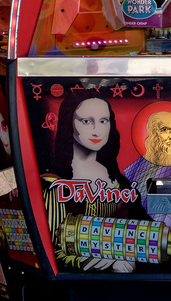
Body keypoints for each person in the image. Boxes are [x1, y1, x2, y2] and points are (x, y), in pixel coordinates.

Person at [42, 89, 138, 272]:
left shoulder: (118, 181)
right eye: (86, 121)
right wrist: (108, 264)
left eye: (104, 121)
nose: (97, 130)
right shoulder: (54, 183)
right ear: (69, 122)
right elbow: (54, 248)